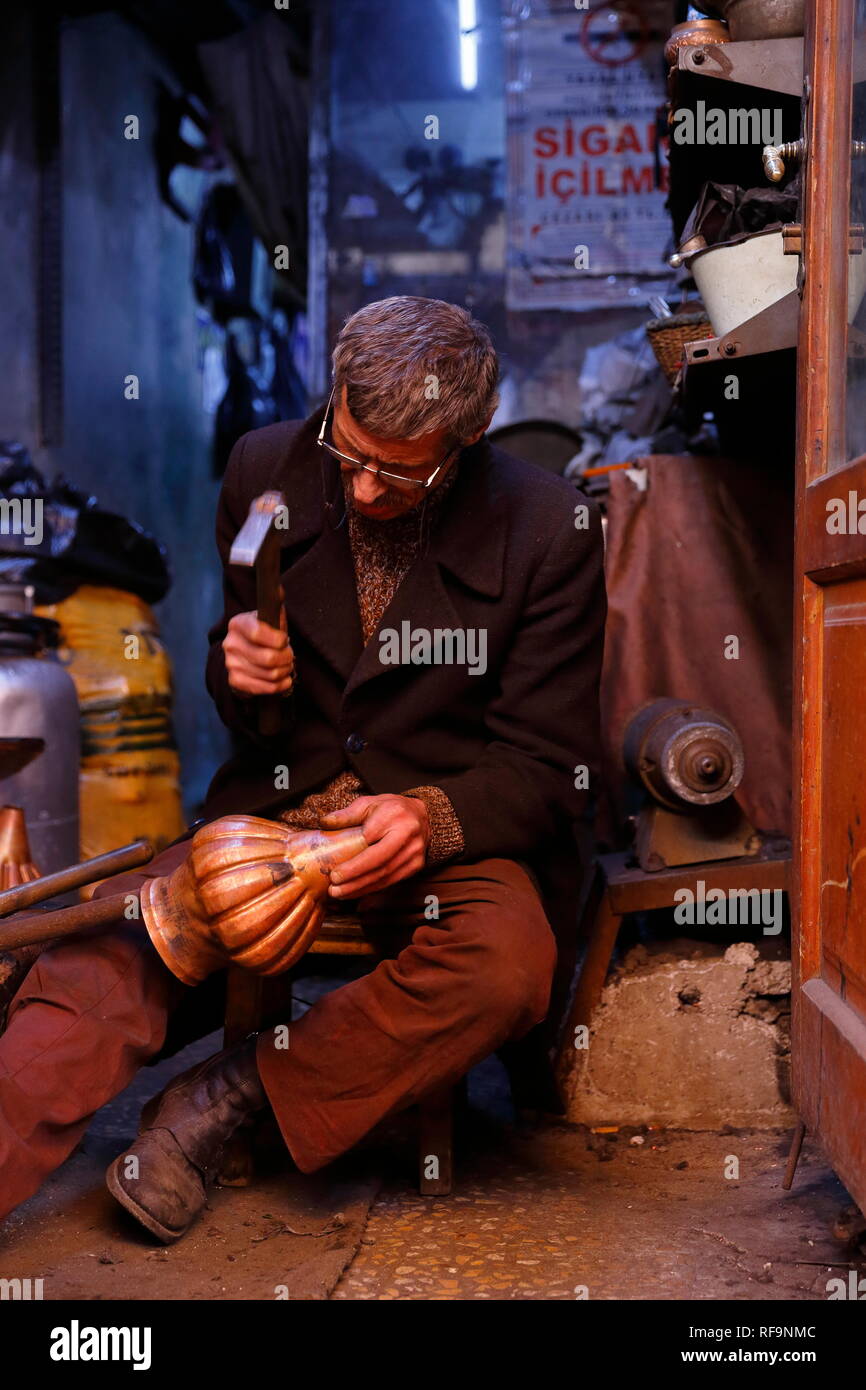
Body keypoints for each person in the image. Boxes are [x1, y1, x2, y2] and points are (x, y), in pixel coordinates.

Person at [0, 296, 606, 1242]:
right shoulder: (266, 465)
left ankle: (232, 1099)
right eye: (350, 454)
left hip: (439, 833)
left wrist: (429, 819)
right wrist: (238, 668)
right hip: (273, 820)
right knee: (107, 962)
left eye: (401, 474)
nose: (362, 491)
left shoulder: (548, 528)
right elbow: (254, 706)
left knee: (505, 966)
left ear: (475, 432)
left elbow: (551, 761)